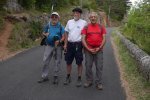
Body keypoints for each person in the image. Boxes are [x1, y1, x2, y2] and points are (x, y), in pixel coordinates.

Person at [38, 12, 65, 84]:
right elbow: (43, 32)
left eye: (56, 17)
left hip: (58, 46)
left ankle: (55, 76)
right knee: (45, 61)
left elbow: (64, 36)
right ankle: (44, 76)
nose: (54, 18)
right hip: (48, 45)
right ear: (51, 18)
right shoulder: (48, 25)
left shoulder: (60, 26)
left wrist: (59, 41)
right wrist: (45, 34)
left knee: (57, 61)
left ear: (58, 18)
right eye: (53, 17)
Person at [81, 12, 106, 90]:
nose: (93, 18)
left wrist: (99, 48)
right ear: (89, 18)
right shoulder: (86, 27)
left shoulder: (101, 27)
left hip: (99, 49)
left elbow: (104, 39)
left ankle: (99, 83)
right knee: (88, 66)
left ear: (97, 18)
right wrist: (88, 49)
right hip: (88, 49)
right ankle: (89, 81)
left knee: (99, 66)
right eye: (91, 17)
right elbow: (83, 39)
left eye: (94, 17)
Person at [63, 7, 87, 87]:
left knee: (79, 62)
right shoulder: (69, 22)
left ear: (80, 14)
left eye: (78, 13)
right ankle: (68, 76)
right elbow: (66, 33)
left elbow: (86, 35)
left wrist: (84, 46)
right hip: (69, 44)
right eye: (75, 12)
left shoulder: (84, 23)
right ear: (73, 13)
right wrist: (65, 44)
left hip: (79, 45)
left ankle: (79, 78)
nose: (76, 14)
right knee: (68, 62)